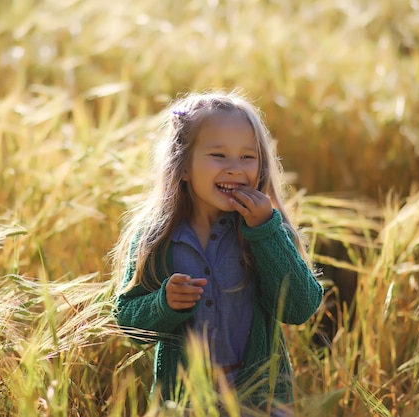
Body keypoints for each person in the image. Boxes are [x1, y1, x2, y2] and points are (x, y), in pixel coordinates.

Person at [112, 90, 323, 415]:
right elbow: (128, 322)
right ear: (182, 166)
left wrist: (266, 231)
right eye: (219, 155)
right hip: (184, 404)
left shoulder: (266, 230)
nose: (235, 168)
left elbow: (300, 307)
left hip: (260, 403)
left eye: (247, 157)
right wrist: (163, 303)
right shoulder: (156, 236)